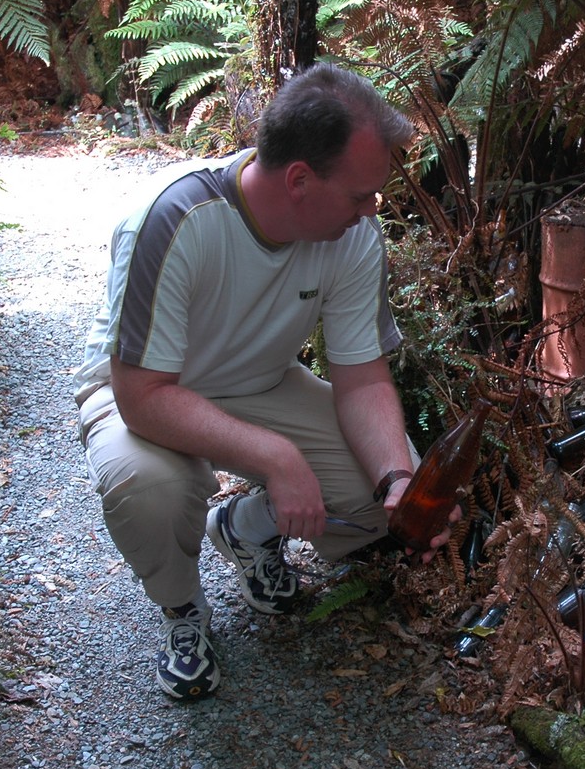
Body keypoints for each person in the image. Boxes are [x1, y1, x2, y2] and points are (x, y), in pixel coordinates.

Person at [73, 64, 447, 700]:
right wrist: (276, 457)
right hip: (143, 392)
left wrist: (399, 482)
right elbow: (143, 395)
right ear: (299, 180)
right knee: (149, 488)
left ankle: (247, 527)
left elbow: (361, 378)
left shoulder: (352, 236)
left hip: (258, 384)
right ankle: (183, 611)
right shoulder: (176, 218)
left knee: (384, 486)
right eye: (361, 195)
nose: (371, 209)